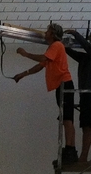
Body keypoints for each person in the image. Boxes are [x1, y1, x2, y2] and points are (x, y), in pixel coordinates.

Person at [13, 22, 78, 165]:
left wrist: (26, 54)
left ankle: (70, 150)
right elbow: (40, 66)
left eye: (48, 31)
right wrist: (23, 74)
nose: (45, 33)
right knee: (66, 119)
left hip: (64, 85)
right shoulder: (53, 48)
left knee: (67, 119)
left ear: (53, 34)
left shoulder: (57, 45)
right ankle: (70, 150)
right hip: (62, 86)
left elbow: (43, 59)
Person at [65, 29, 91, 162]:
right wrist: (60, 45)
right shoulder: (86, 57)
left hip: (90, 95)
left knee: (90, 126)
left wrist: (75, 33)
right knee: (90, 126)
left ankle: (87, 157)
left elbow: (85, 45)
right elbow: (71, 52)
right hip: (86, 95)